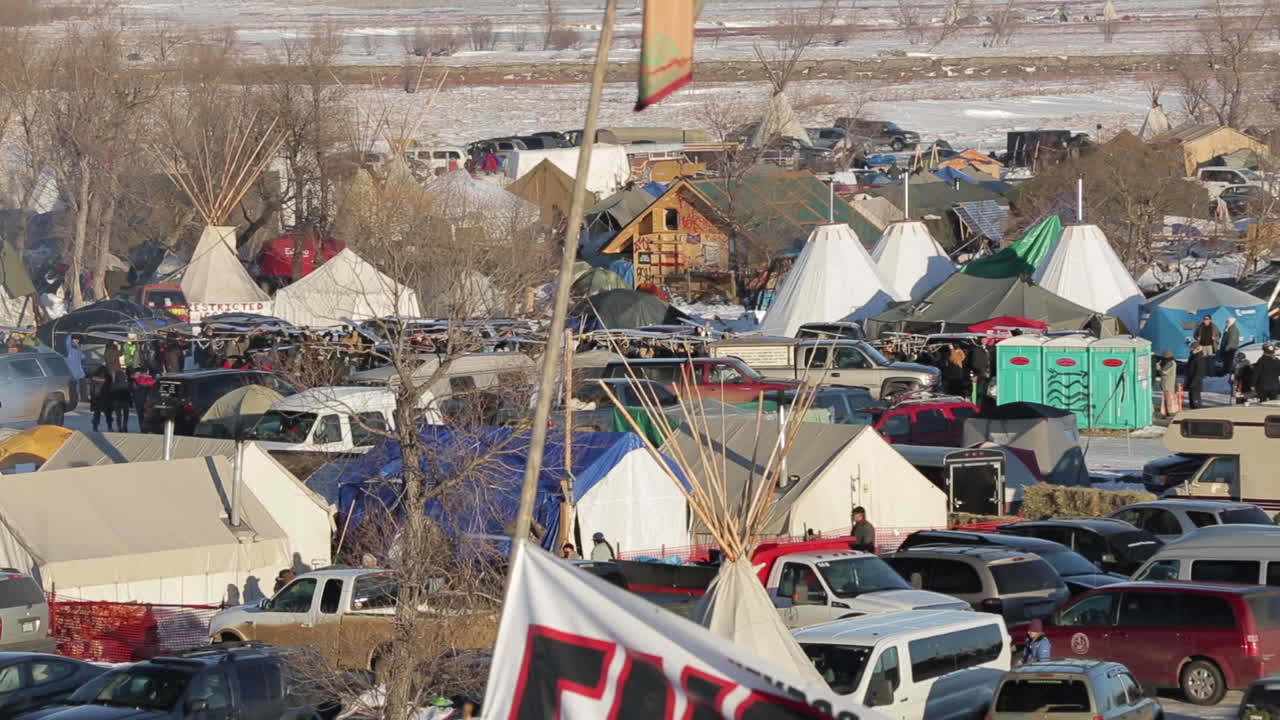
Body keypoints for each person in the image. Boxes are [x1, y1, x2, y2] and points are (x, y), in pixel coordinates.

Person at [967, 339, 992, 405]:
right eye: (983, 339)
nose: (985, 341)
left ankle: (981, 404)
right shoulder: (976, 350)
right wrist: (972, 374)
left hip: (987, 373)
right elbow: (971, 363)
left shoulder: (989, 349)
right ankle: (976, 404)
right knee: (977, 390)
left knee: (985, 390)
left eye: (986, 339)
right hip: (978, 374)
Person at [1185, 345, 1210, 410]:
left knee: (1195, 402)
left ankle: (1197, 414)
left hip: (1195, 383)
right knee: (1192, 401)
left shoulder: (1199, 358)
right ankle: (1193, 412)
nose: (1191, 350)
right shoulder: (1193, 356)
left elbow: (1199, 373)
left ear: (1197, 349)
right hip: (1191, 381)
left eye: (1193, 348)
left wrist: (1193, 383)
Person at [89, 366, 114, 432]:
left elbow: (92, 388)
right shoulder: (108, 377)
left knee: (96, 414)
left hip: (97, 398)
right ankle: (110, 427)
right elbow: (110, 386)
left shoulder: (94, 377)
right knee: (108, 415)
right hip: (107, 399)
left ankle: (95, 427)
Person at [1157, 350, 1178, 417]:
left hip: (1168, 384)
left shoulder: (1170, 363)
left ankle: (1171, 413)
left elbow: (1164, 372)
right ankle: (1171, 412)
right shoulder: (1173, 362)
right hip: (1169, 384)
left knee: (1169, 399)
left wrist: (1158, 367)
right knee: (1170, 399)